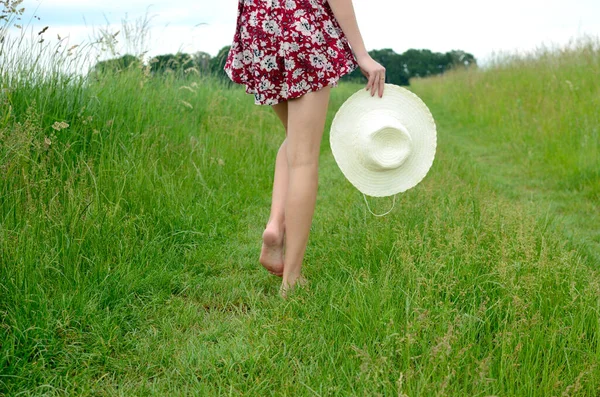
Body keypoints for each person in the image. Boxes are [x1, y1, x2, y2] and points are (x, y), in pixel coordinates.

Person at [224, 0, 385, 296]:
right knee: (304, 158)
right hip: (300, 23)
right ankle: (292, 280)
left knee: (296, 139)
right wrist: (361, 53)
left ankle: (275, 226)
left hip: (259, 26)